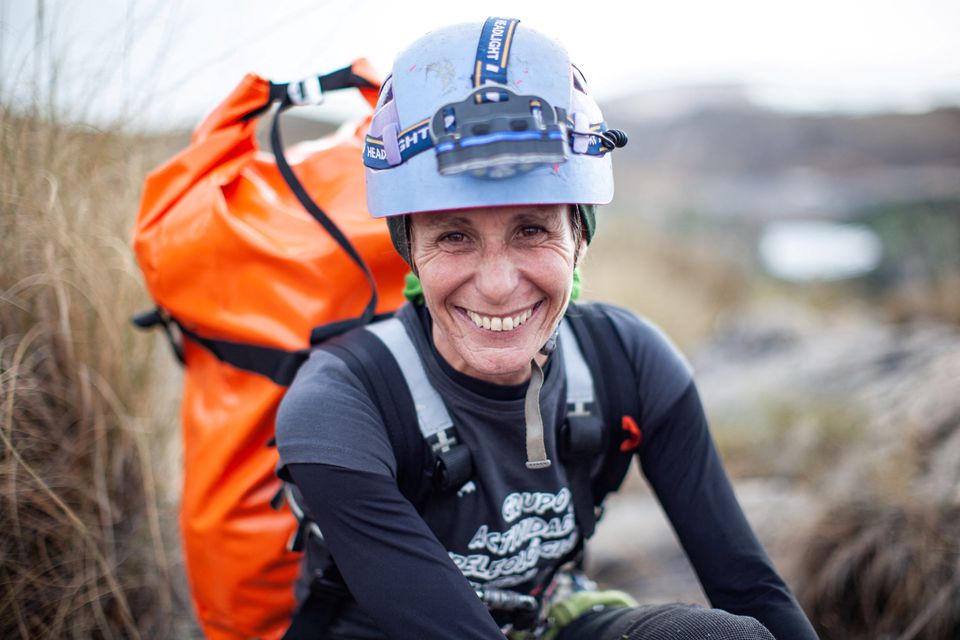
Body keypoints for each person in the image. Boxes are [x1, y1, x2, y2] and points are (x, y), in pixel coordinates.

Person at [276, 18, 818, 640]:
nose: (500, 284)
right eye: (454, 236)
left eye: (532, 230)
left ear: (580, 237)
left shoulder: (628, 362)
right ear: (410, 252)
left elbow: (750, 589)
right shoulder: (339, 409)